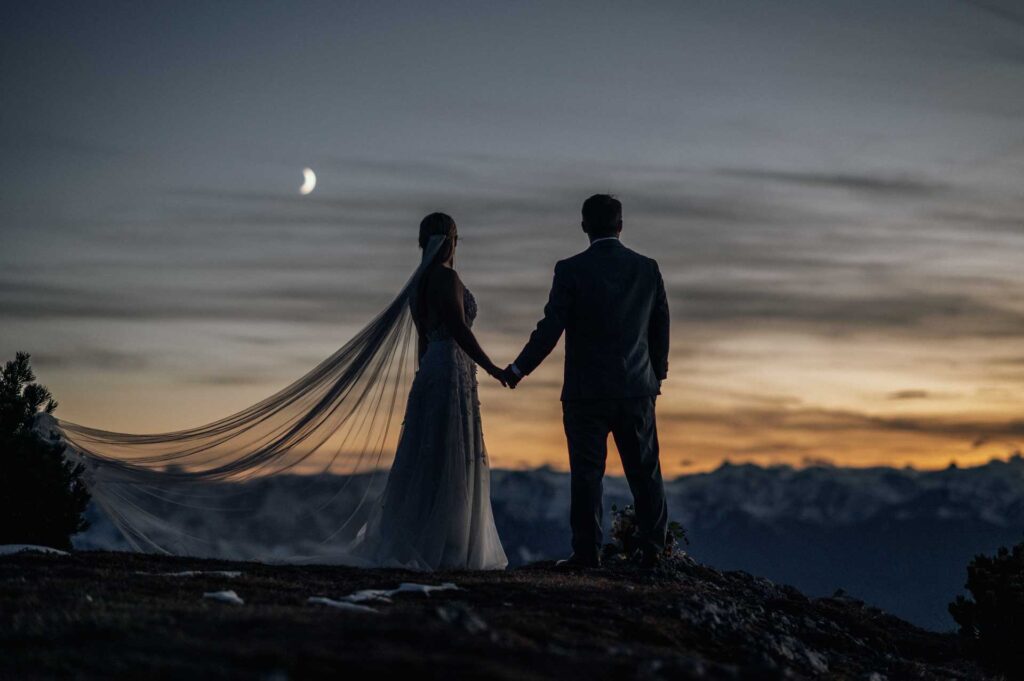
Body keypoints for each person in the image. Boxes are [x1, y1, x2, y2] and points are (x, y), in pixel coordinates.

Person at [503, 194, 670, 568]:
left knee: (586, 476)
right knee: (645, 473)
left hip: (585, 393)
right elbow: (660, 325)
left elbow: (551, 329)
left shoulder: (570, 270)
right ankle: (654, 553)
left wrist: (518, 369)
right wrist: (656, 375)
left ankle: (586, 554)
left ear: (584, 227)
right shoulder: (647, 268)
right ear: (621, 225)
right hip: (636, 390)